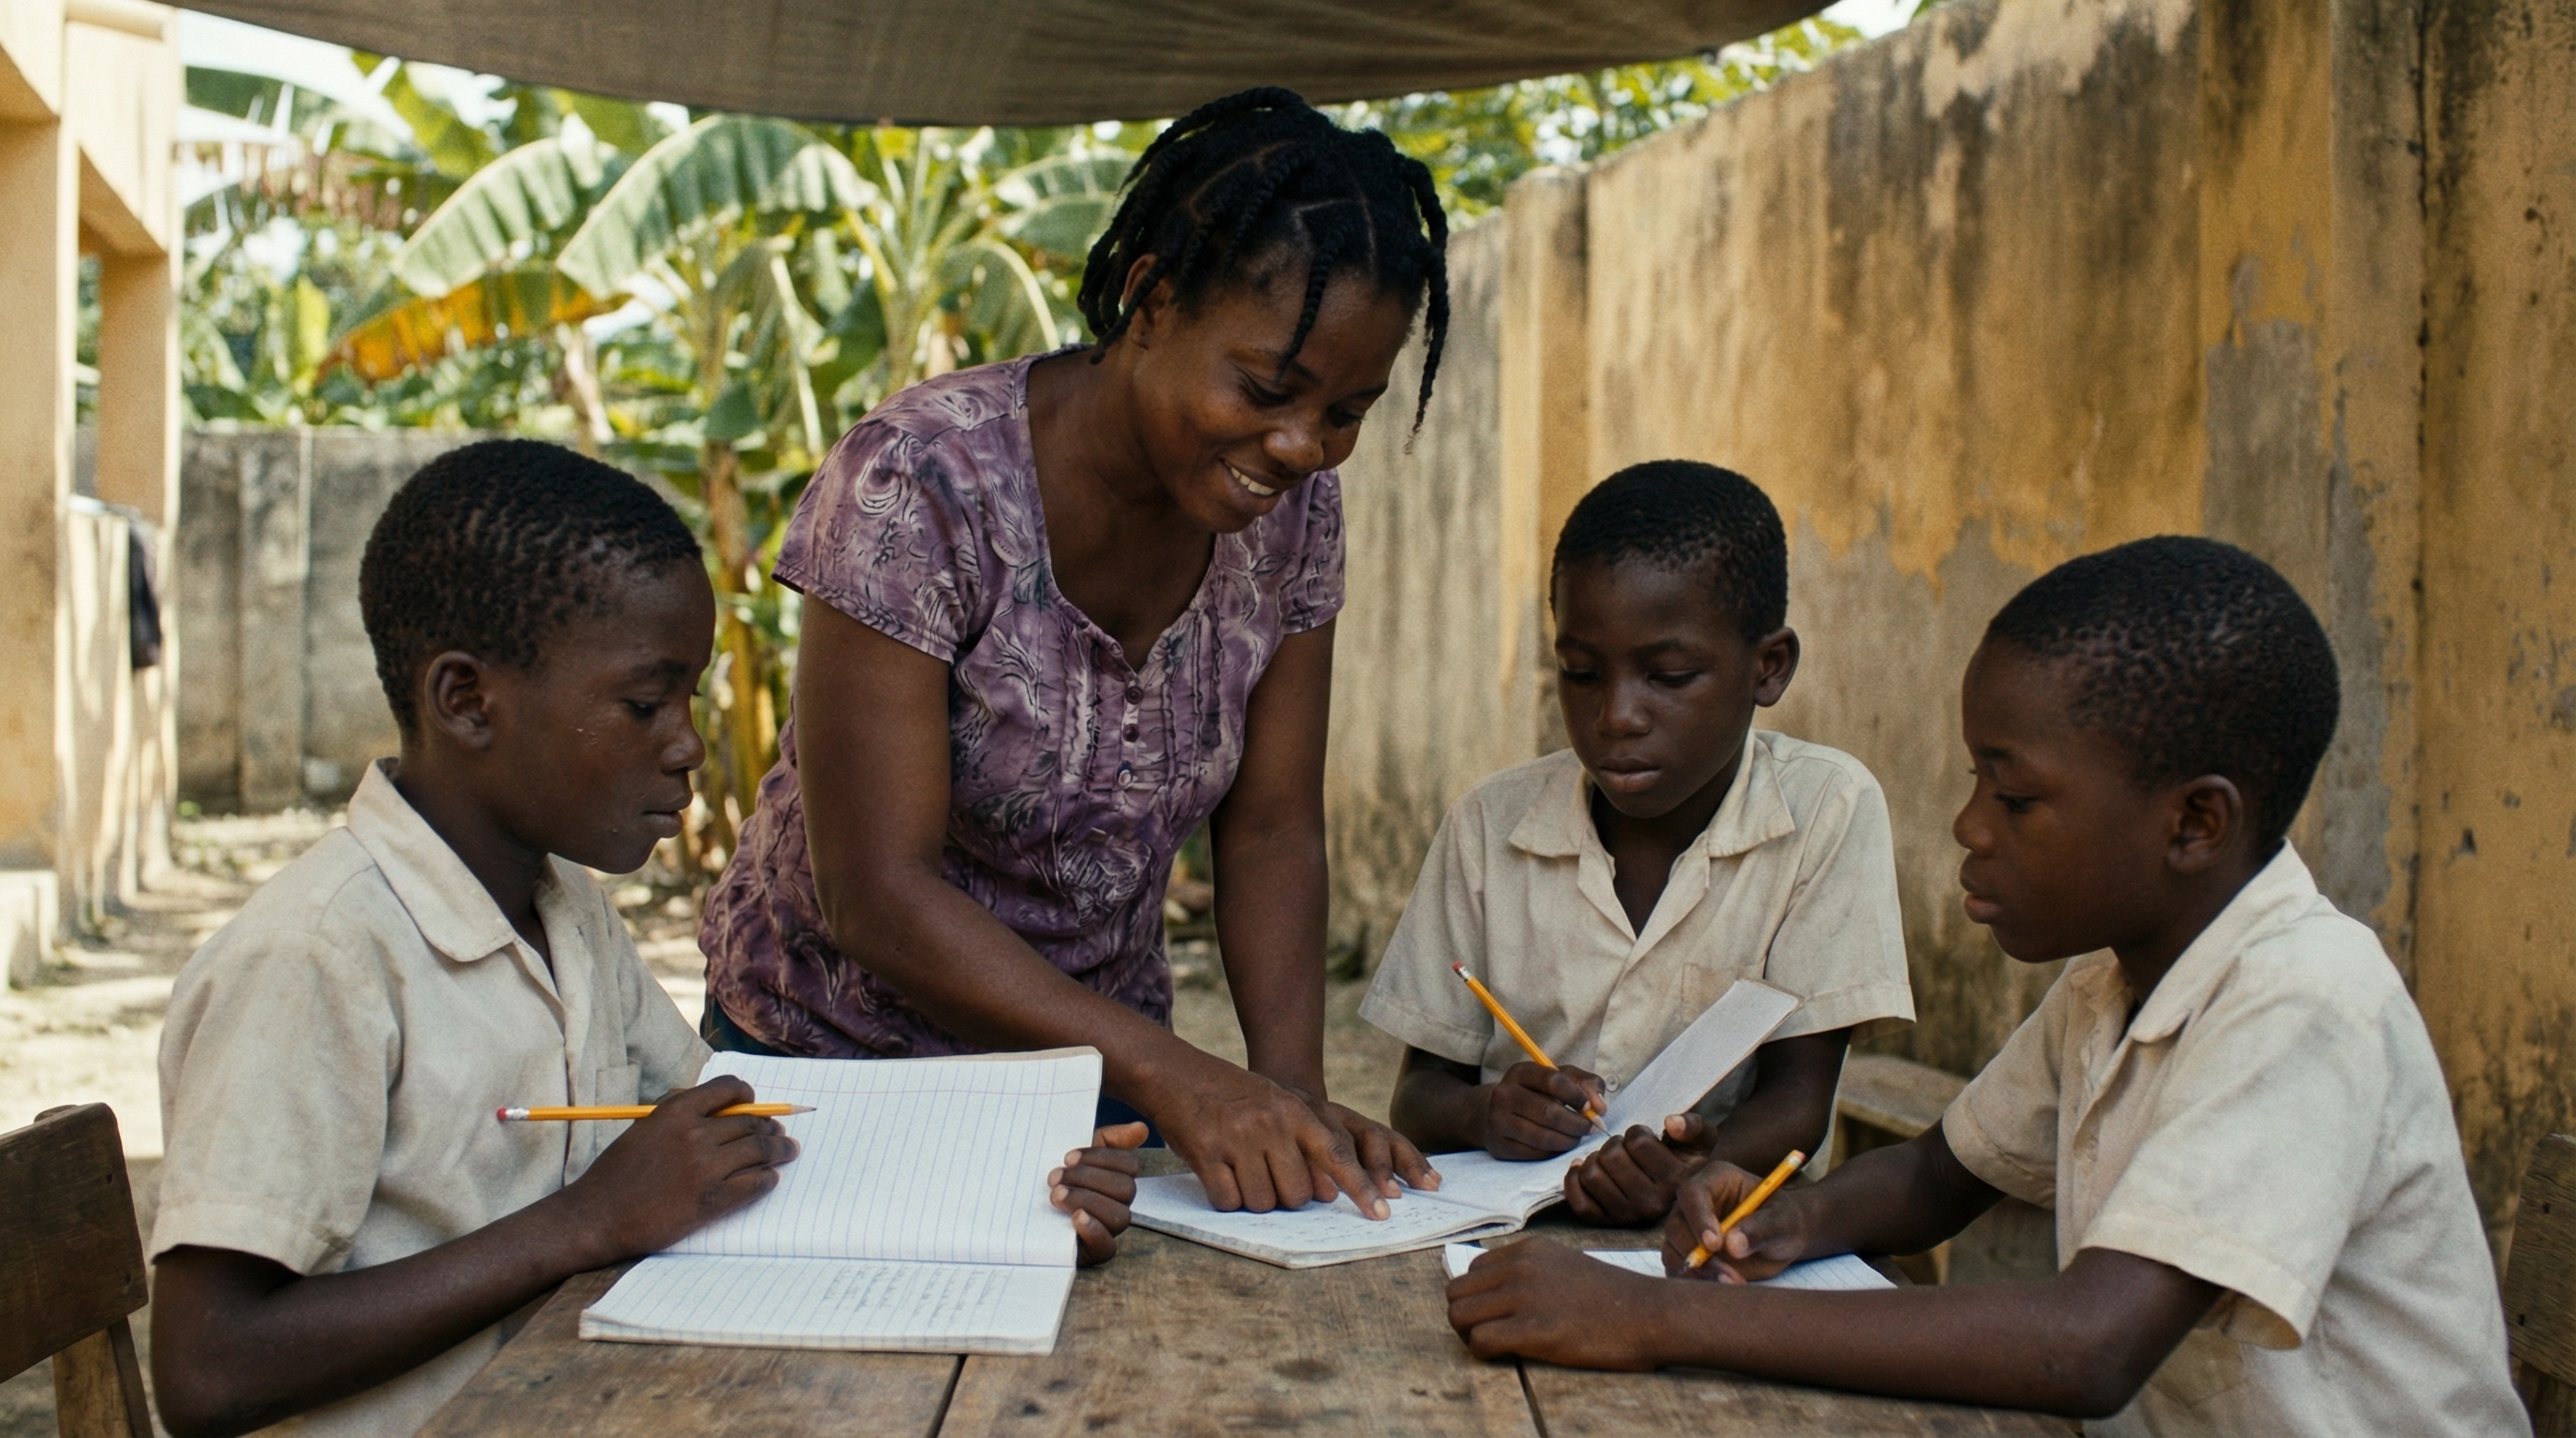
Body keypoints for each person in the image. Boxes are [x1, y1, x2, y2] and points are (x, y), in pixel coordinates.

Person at [147, 443, 1141, 1438]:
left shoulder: (560, 907)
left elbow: (732, 1128)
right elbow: (207, 1369)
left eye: (690, 698)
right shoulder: (314, 960)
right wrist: (580, 1227)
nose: (685, 745)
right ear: (465, 700)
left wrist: (1018, 1200)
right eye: (642, 702)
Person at [1445, 536, 2530, 1436]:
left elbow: (2087, 1348)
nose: (1967, 828)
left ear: (2193, 823)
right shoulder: (2113, 989)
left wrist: (1649, 1318)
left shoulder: (2302, 1002)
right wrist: (1790, 1221)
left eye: (2012, 798)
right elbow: (1940, 1174)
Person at [698, 88, 1449, 1220]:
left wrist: (1286, 1092)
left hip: (1095, 1095)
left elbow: (1274, 827)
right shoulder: (919, 485)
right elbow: (877, 894)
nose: (1301, 446)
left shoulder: (1293, 515)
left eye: (1348, 410)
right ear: (1149, 299)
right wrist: (1180, 1075)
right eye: (1264, 388)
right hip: (831, 1083)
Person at [1361, 462, 1914, 1225]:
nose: (1617, 715)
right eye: (1581, 673)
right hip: (1502, 1225)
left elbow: (1798, 1098)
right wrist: (1486, 1114)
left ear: (1768, 666)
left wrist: (1701, 1164)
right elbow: (1420, 1092)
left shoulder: (1826, 808)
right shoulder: (1491, 825)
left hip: (1715, 1227)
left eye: (1670, 676)